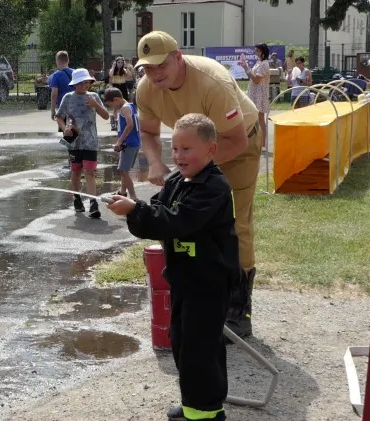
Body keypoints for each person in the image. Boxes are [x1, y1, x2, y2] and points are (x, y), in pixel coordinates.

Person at [107, 113, 240, 421]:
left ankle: (207, 412)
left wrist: (135, 210)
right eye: (175, 148)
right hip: (186, 280)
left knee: (200, 350)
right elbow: (157, 210)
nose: (178, 156)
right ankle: (196, 402)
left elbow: (176, 221)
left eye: (187, 149)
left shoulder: (213, 187)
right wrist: (131, 207)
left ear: (211, 150)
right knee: (182, 342)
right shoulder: (179, 181)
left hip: (208, 284)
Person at [133, 30, 261, 340]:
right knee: (189, 219)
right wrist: (155, 162)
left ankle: (237, 307)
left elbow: (238, 139)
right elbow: (148, 133)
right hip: (195, 154)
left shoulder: (211, 81)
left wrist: (189, 174)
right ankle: (198, 293)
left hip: (237, 145)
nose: (155, 74)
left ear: (178, 57)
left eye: (161, 65)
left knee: (235, 223)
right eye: (148, 68)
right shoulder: (146, 90)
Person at [55, 68, 110, 219]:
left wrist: (96, 105)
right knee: (76, 171)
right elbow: (59, 117)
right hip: (74, 143)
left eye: (86, 82)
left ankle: (93, 203)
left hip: (91, 141)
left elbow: (106, 116)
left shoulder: (93, 96)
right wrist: (64, 127)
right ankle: (77, 198)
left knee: (90, 172)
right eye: (80, 83)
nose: (84, 85)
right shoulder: (68, 97)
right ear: (74, 84)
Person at [104, 87, 140, 200]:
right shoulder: (130, 106)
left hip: (128, 143)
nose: (112, 107)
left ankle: (133, 197)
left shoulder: (124, 108)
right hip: (133, 142)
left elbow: (130, 125)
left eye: (111, 104)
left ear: (116, 100)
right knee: (125, 170)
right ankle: (122, 192)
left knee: (123, 171)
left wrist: (119, 141)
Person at [241, 43, 270, 149]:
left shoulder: (264, 64)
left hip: (260, 94)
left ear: (262, 52)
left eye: (257, 51)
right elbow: (252, 77)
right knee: (255, 118)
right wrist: (245, 67)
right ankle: (257, 142)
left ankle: (263, 144)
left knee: (260, 118)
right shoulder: (259, 62)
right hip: (254, 92)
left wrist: (247, 69)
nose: (256, 52)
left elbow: (257, 80)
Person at [49, 51, 74, 125]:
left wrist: (53, 110)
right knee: (76, 131)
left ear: (57, 61)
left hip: (63, 108)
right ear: (68, 60)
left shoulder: (56, 75)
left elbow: (54, 94)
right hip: (76, 107)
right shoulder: (75, 72)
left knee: (66, 132)